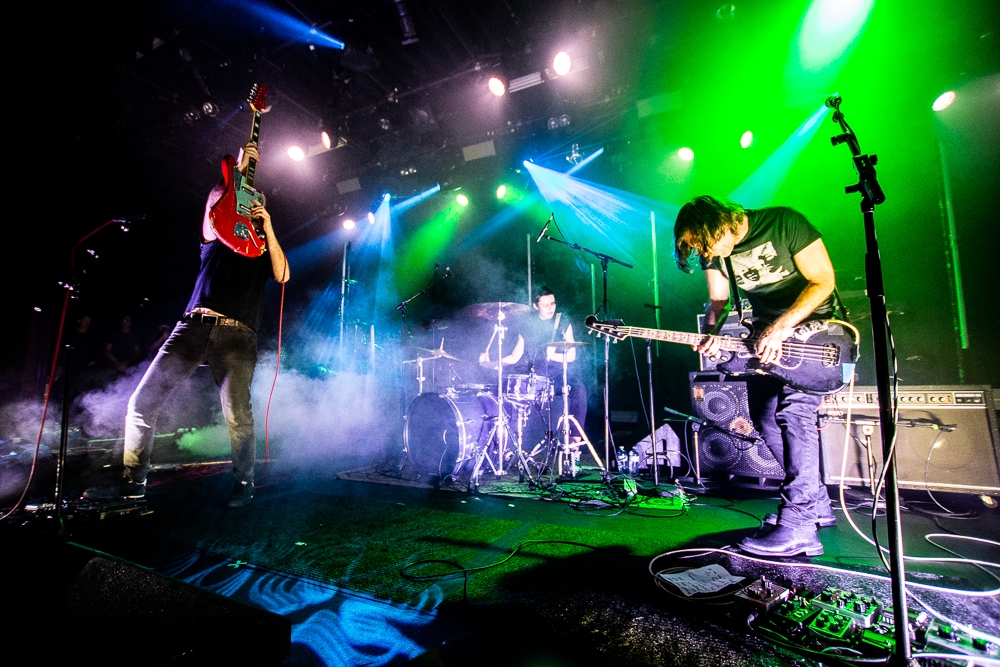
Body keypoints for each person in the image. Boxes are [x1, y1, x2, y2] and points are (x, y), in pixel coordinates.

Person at [85, 141, 289, 508]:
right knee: (141, 402)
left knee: (237, 414)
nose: (247, 202)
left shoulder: (260, 251)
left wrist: (268, 227)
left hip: (238, 334)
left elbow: (283, 273)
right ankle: (133, 484)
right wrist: (240, 169)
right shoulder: (215, 236)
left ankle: (244, 483)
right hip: (193, 327)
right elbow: (215, 204)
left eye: (254, 201)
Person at [673, 195, 837, 558]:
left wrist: (781, 327)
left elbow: (823, 280)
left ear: (722, 223)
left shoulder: (784, 223)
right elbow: (719, 301)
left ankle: (799, 526)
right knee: (764, 417)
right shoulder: (714, 253)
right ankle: (817, 505)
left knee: (794, 414)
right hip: (768, 340)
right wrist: (712, 335)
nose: (704, 252)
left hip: (817, 335)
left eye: (704, 242)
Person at [479, 287, 588, 444]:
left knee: (579, 388)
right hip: (534, 376)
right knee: (502, 388)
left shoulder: (563, 322)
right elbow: (514, 357)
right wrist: (489, 364)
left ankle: (574, 444)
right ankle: (505, 443)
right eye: (545, 305)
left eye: (553, 303)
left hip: (556, 376)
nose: (550, 308)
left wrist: (554, 356)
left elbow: (571, 355)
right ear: (536, 306)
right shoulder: (526, 326)